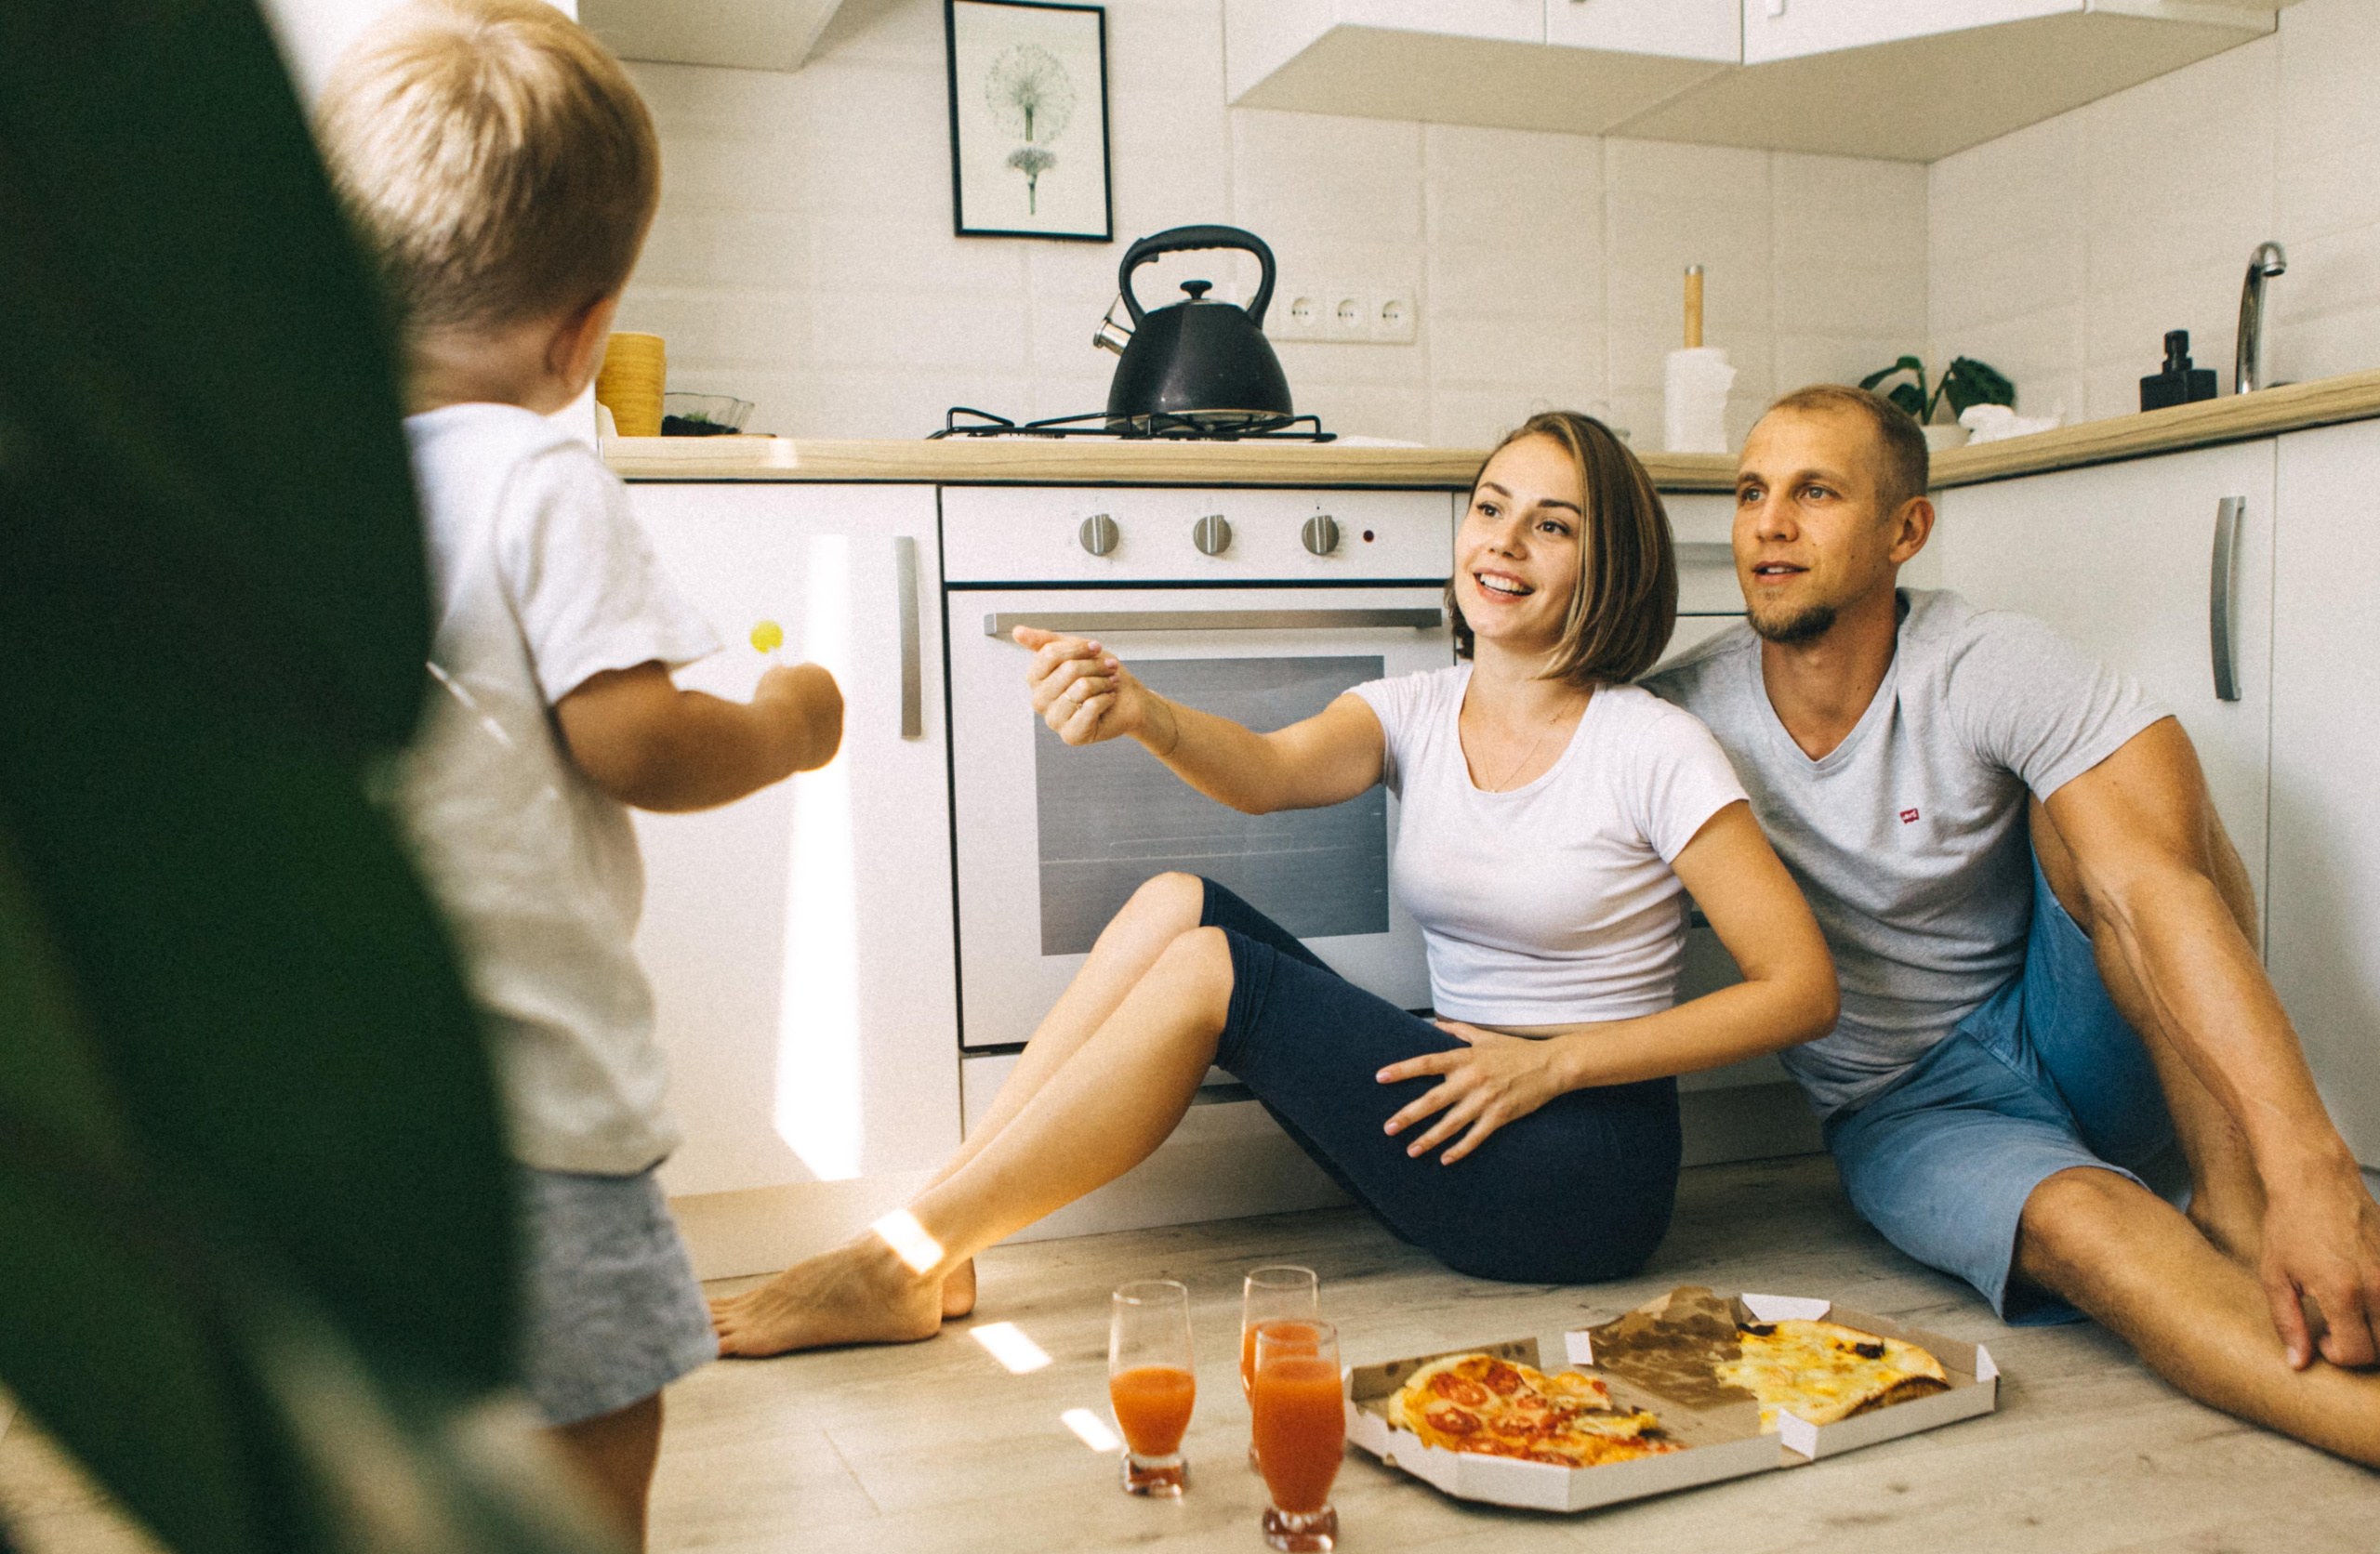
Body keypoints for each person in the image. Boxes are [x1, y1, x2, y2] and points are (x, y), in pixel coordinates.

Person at [707, 412, 1838, 1357]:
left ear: (1612, 565)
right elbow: (1264, 774)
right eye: (1491, 507)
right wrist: (1141, 708)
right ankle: (935, 1250)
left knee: (1216, 971)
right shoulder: (1418, 711)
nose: (1505, 542)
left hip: (1580, 1172)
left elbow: (1798, 989)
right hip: (1453, 1106)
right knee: (1176, 904)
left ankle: (897, 1259)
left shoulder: (1654, 747)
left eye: (1554, 525)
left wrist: (1554, 1063)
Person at [317, 0, 845, 1554]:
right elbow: (639, 742)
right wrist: (790, 722)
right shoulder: (541, 472)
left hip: (349, 1107)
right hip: (534, 1105)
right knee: (597, 1426)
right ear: (583, 325)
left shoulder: (311, 482)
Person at [1645, 384, 2380, 1468]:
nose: (1769, 524)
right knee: (2091, 1235)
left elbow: (2158, 889)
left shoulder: (1988, 660)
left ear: (1907, 529)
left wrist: (2308, 1173)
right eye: (1753, 492)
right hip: (1909, 1108)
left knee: (2110, 810)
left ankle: (2239, 1201)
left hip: (2077, 1027)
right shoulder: (1678, 721)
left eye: (1815, 492)